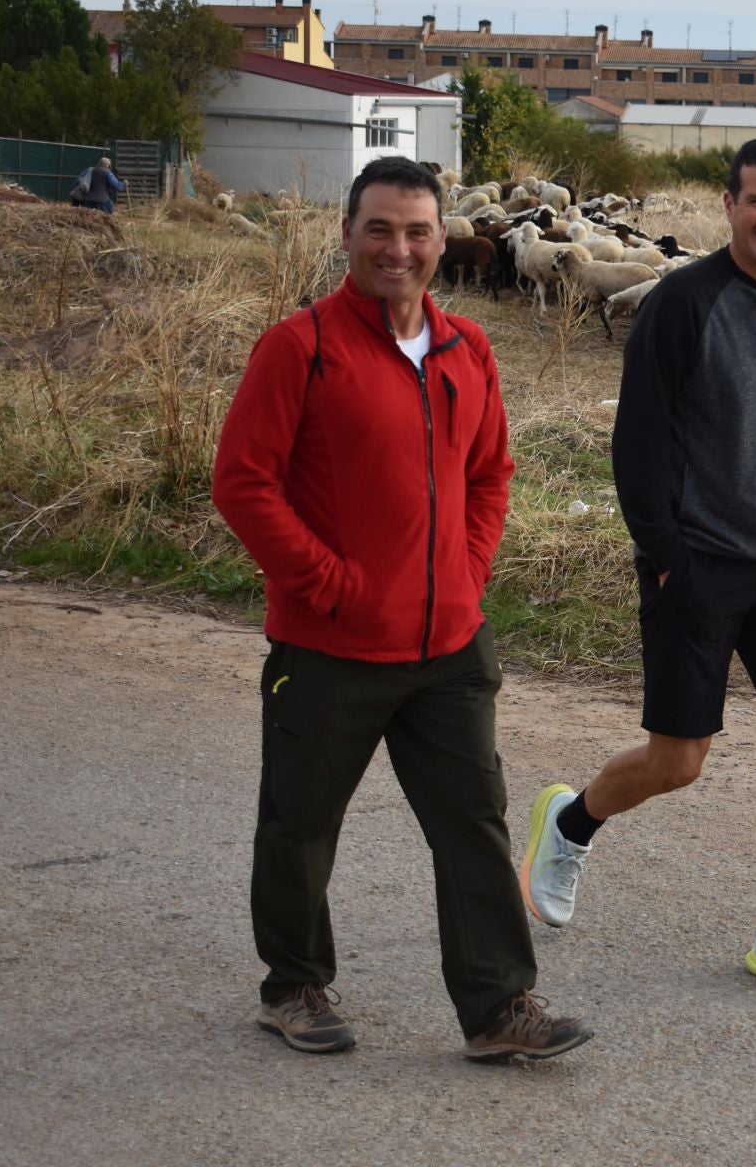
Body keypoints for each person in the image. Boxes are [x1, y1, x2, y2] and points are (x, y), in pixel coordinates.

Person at [211, 155, 592, 1063]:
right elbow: (243, 482)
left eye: (417, 230)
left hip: (449, 648)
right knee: (300, 827)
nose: (399, 248)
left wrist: (464, 571)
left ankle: (501, 1009)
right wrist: (327, 584)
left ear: (441, 242)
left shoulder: (469, 350)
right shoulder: (298, 347)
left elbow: (491, 473)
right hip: (330, 646)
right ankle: (294, 986)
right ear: (347, 237)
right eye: (379, 229)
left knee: (473, 827)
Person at [522, 137, 756, 994]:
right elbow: (636, 444)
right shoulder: (681, 303)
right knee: (679, 762)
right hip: (697, 563)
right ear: (729, 205)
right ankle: (570, 824)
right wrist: (667, 560)